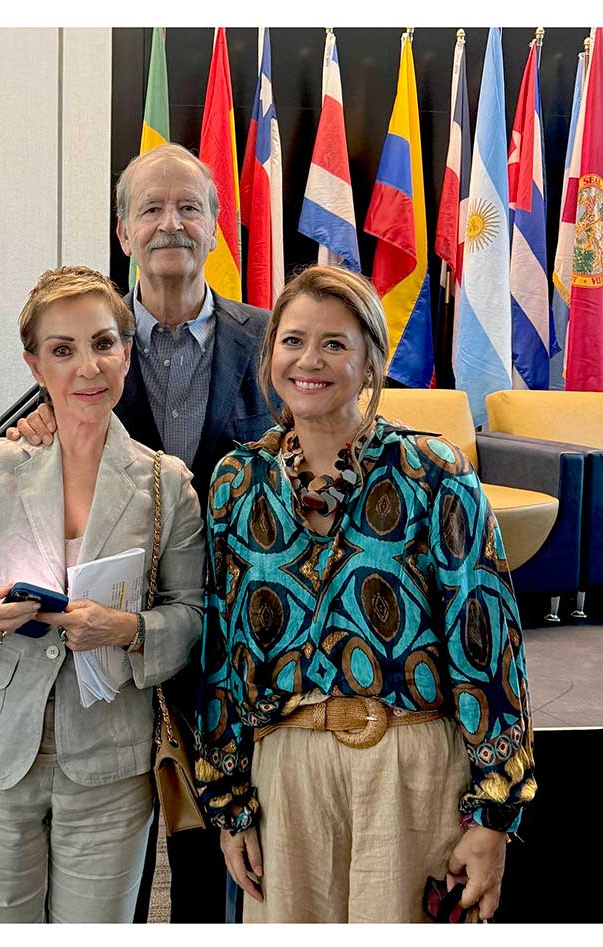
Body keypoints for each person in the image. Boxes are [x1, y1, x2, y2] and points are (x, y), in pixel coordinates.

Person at [195, 265, 536, 923]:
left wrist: (494, 816)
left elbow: (488, 648)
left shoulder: (434, 471)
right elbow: (222, 650)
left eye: (335, 343)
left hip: (410, 768)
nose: (309, 360)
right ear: (270, 356)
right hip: (285, 771)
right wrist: (228, 801)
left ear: (372, 361)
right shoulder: (237, 481)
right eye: (293, 340)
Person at [11, 142, 277, 923]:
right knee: (108, 855)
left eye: (189, 207)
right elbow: (30, 457)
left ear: (216, 225)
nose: (171, 223)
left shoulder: (271, 342)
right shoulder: (92, 339)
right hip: (103, 642)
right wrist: (38, 429)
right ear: (123, 230)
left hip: (225, 637)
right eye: (151, 208)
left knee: (215, 847)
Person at [0, 265, 204, 922]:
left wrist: (126, 629)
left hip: (111, 758)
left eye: (103, 344)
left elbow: (193, 615)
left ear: (126, 352)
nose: (87, 367)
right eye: (62, 349)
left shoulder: (167, 483)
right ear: (34, 363)